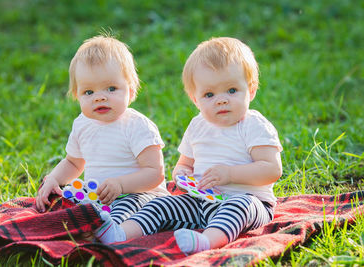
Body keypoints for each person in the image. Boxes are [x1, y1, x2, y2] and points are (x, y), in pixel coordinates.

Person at [95, 37, 283, 254]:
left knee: (239, 205)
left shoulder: (253, 125)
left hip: (252, 204)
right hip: (202, 202)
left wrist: (230, 174)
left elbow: (271, 170)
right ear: (195, 99)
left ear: (250, 90)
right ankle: (121, 233)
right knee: (160, 205)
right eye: (209, 94)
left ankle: (206, 242)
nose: (221, 100)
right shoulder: (198, 125)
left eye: (231, 90)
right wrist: (182, 173)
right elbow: (185, 164)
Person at [36, 35, 169, 229]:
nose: (99, 98)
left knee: (122, 212)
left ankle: (108, 232)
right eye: (89, 92)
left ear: (130, 92)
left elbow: (155, 174)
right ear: (77, 95)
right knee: (67, 203)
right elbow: (73, 163)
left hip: (142, 198)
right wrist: (54, 179)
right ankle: (86, 225)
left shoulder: (137, 126)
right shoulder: (82, 124)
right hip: (101, 200)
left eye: (111, 88)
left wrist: (121, 185)